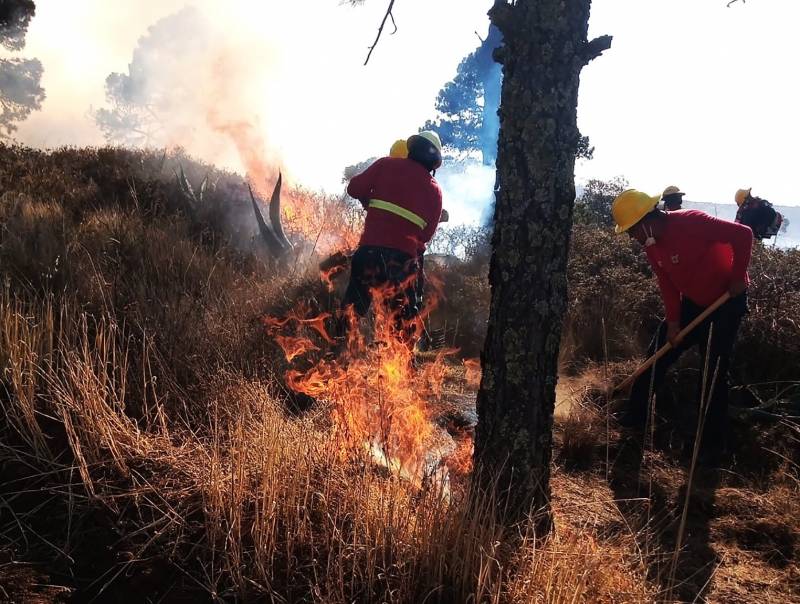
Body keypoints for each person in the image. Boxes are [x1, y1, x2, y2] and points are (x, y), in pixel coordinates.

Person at [611, 189, 753, 461]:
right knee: (655, 357)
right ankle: (634, 419)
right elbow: (667, 283)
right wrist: (674, 323)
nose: (632, 238)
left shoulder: (690, 221)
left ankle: (710, 447)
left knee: (713, 372)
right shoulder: (652, 246)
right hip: (692, 304)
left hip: (726, 302)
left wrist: (737, 277)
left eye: (632, 231)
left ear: (647, 221)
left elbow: (743, 234)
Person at [339, 131, 444, 344]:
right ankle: (401, 372)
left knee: (351, 313)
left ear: (411, 149)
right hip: (401, 265)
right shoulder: (435, 191)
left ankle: (337, 356)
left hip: (367, 255)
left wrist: (371, 200)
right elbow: (426, 235)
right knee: (400, 327)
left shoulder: (386, 165)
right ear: (434, 163)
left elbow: (354, 188)